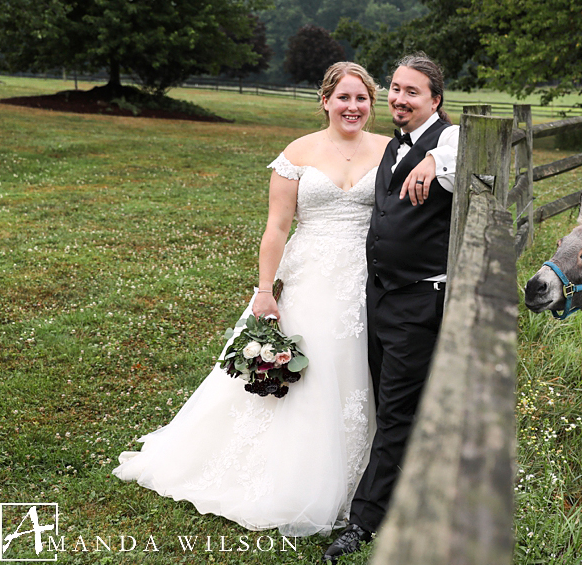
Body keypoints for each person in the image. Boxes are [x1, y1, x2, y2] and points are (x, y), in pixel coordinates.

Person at [113, 62, 391, 536]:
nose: (353, 107)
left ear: (372, 103)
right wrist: (265, 290)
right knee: (307, 370)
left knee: (357, 370)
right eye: (343, 98)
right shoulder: (297, 153)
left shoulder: (390, 150)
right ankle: (289, 478)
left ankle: (363, 478)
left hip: (366, 278)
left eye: (361, 98)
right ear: (325, 101)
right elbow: (277, 227)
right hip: (308, 278)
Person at [324, 53, 459, 562]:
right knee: (384, 401)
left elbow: (470, 144)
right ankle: (410, 482)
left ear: (436, 100)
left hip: (418, 299)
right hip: (378, 295)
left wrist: (435, 157)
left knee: (397, 410)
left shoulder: (446, 142)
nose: (400, 99)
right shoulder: (396, 143)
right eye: (396, 89)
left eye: (413, 92)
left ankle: (364, 521)